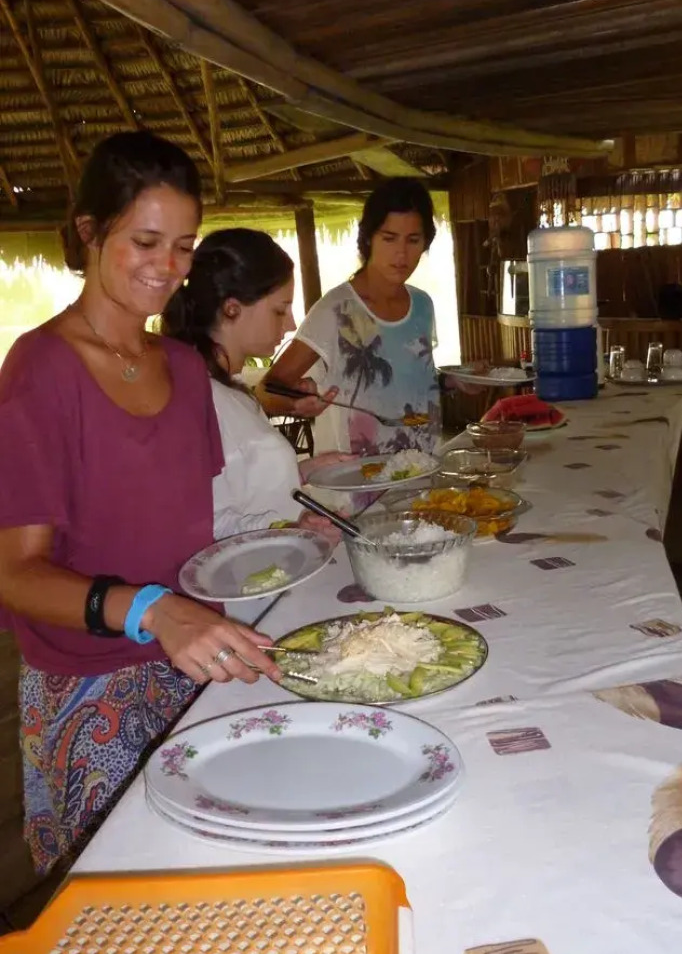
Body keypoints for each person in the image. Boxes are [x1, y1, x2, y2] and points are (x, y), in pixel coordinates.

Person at [0, 132, 279, 876]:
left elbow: (192, 537)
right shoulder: (41, 371)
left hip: (190, 658)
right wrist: (153, 608)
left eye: (184, 246)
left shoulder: (186, 371)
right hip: (89, 681)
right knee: (129, 901)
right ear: (90, 231)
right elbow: (17, 573)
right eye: (146, 241)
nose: (169, 268)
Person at [161, 227, 348, 539]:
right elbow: (206, 521)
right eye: (280, 310)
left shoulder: (230, 388)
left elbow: (240, 484)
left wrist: (304, 470)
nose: (289, 325)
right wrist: (287, 529)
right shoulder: (199, 399)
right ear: (232, 308)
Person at [258, 177, 441, 455]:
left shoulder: (422, 305)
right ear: (368, 238)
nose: (401, 253)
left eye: (413, 240)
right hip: (353, 486)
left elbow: (408, 377)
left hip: (422, 475)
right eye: (389, 238)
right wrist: (296, 404)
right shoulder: (336, 310)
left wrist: (452, 381)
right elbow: (266, 391)